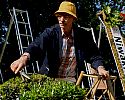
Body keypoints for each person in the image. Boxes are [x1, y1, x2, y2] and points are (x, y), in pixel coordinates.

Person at [10, 1, 109, 83]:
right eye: (59, 16)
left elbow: (94, 55)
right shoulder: (50, 32)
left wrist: (100, 68)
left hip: (71, 81)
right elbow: (36, 45)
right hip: (49, 80)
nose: (61, 20)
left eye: (65, 17)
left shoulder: (83, 35)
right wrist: (24, 58)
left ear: (73, 19)